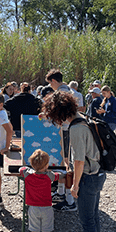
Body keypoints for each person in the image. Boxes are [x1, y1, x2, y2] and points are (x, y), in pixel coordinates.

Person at [42, 91, 106, 232]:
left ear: (60, 112)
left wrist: (75, 186)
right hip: (98, 173)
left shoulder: (76, 128)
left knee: (87, 222)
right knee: (93, 218)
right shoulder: (83, 119)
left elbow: (78, 161)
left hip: (87, 177)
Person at [19, 150, 62, 232]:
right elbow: (59, 175)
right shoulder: (49, 176)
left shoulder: (28, 175)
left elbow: (21, 169)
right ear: (47, 165)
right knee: (47, 231)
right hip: (47, 207)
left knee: (34, 231)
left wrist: (31, 169)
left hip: (33, 207)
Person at [45, 69, 76, 211]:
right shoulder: (71, 91)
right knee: (64, 164)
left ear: (54, 81)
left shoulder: (60, 94)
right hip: (71, 130)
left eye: (50, 83)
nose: (50, 87)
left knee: (66, 164)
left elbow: (56, 115)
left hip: (64, 131)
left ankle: (70, 201)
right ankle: (62, 192)